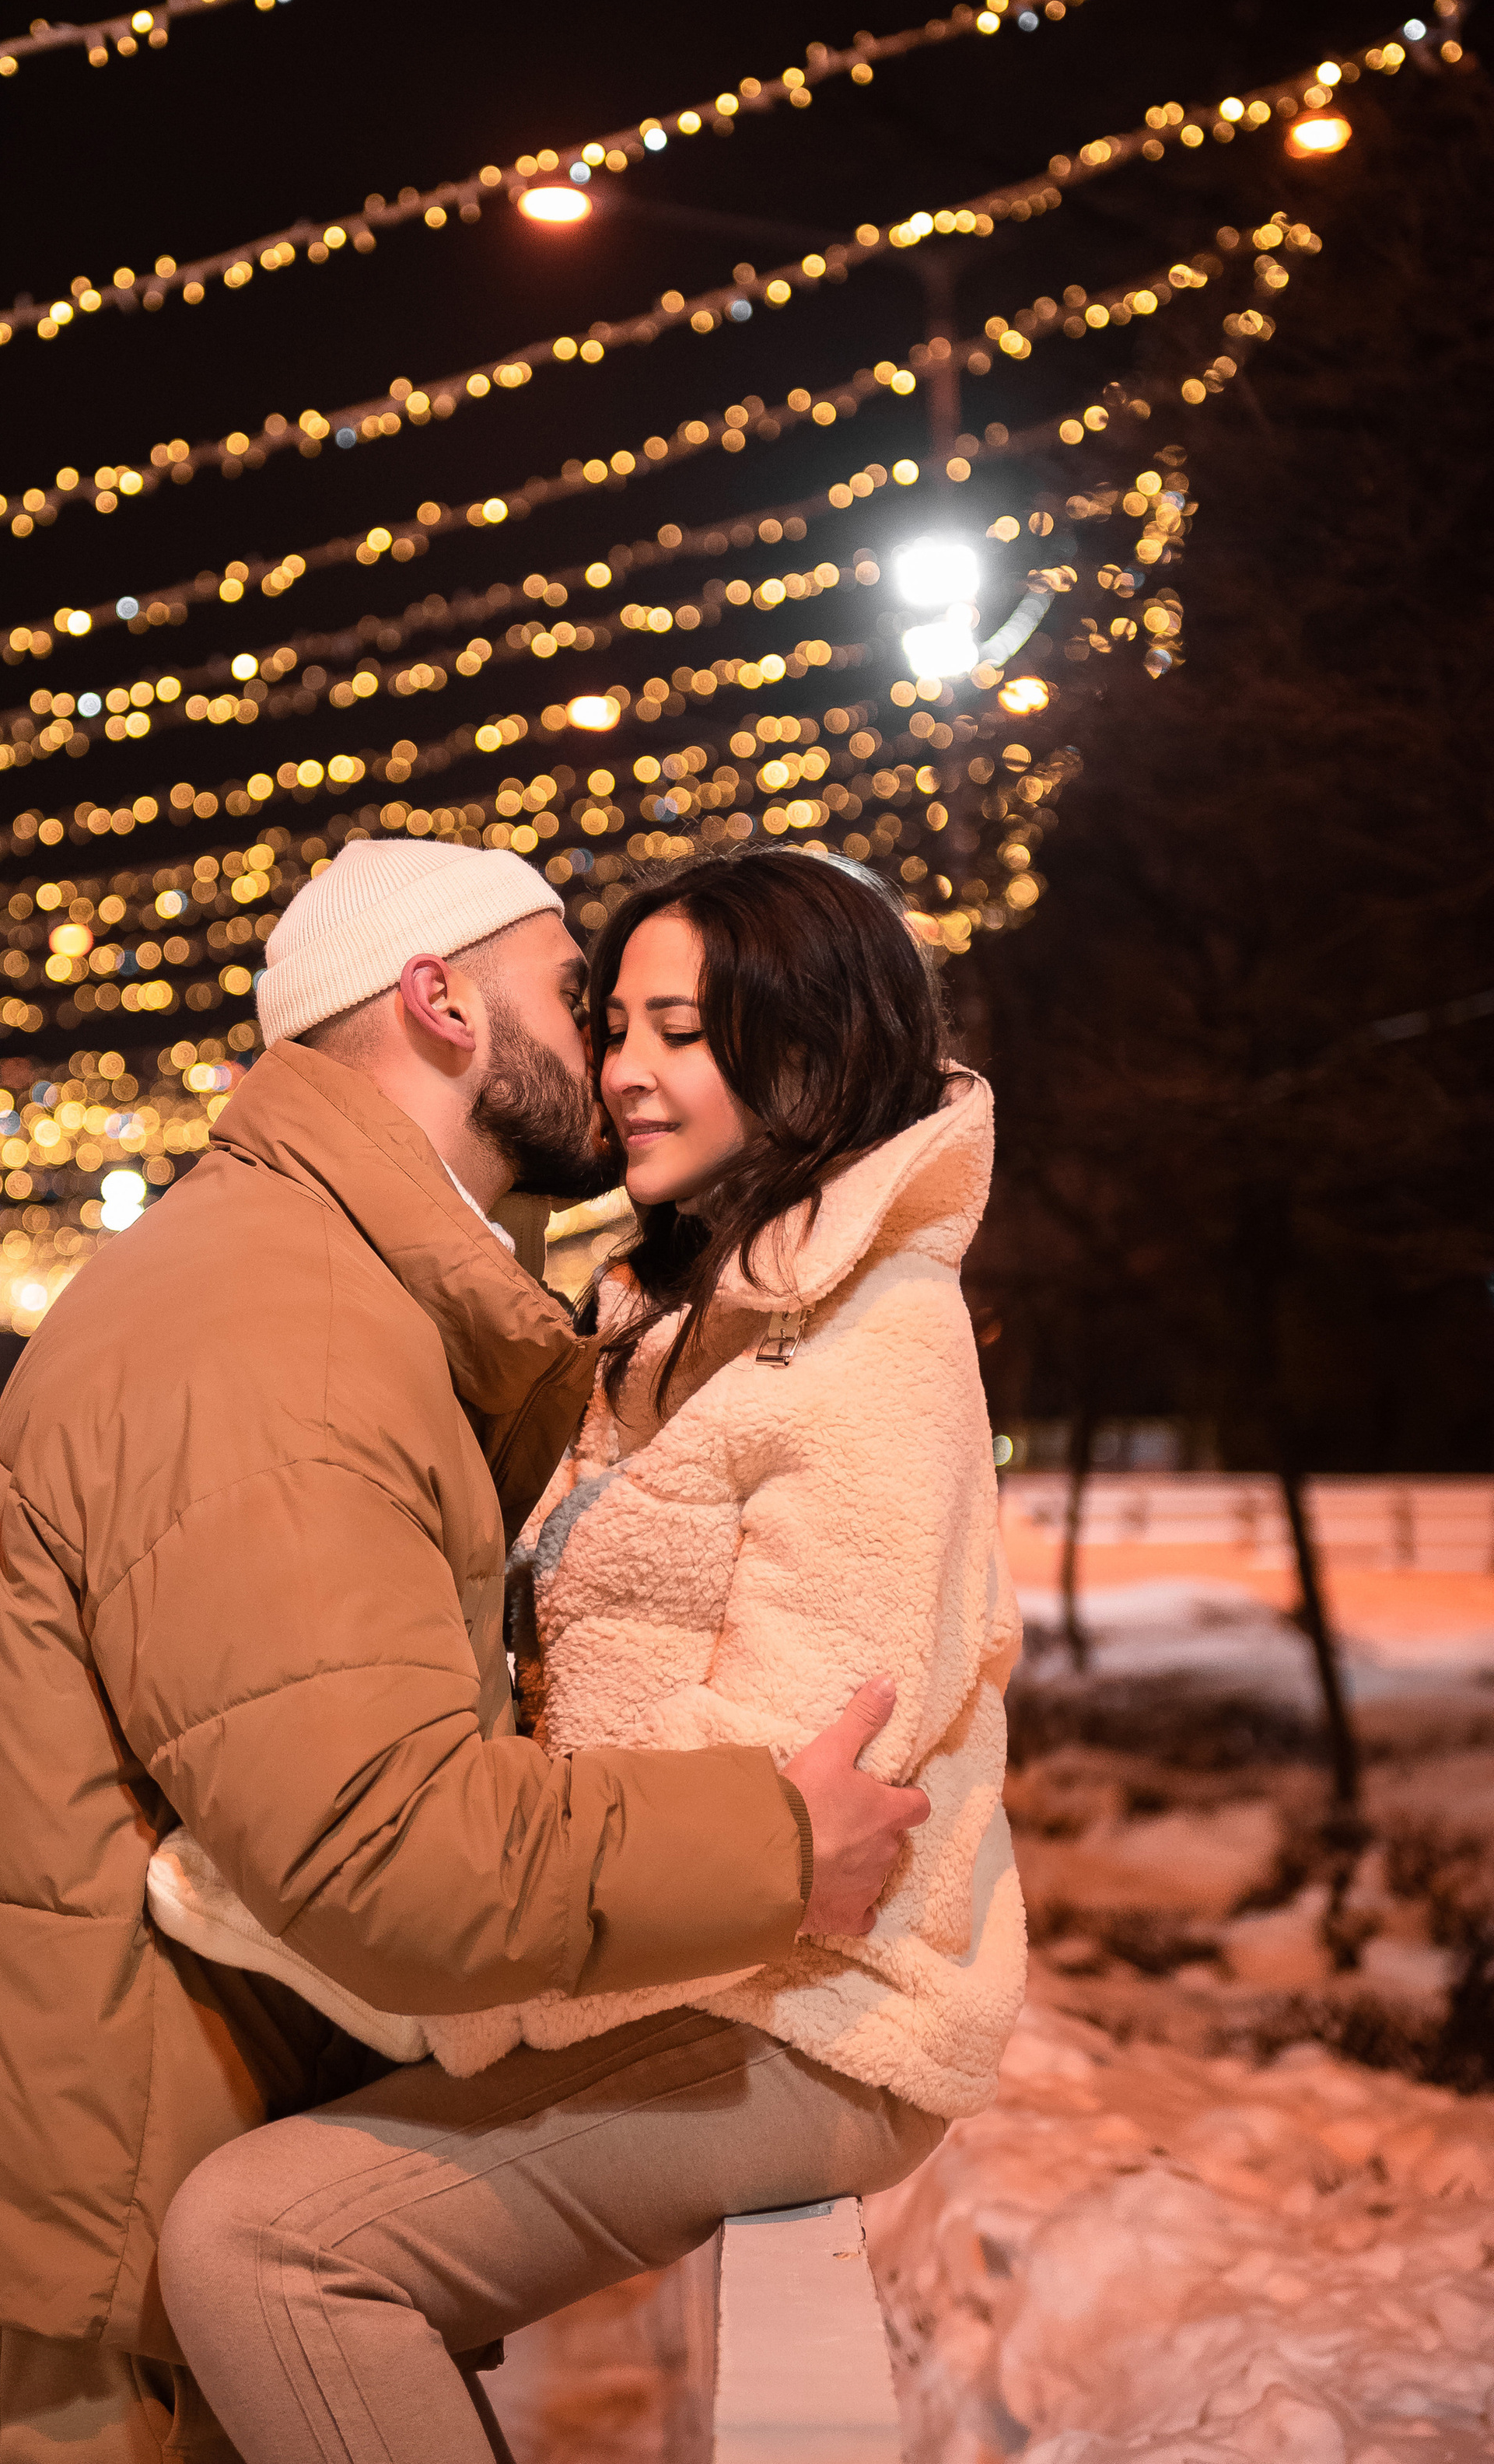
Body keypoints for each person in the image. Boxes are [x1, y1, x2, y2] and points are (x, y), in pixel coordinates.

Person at [0, 836, 928, 2464]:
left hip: (145, 2150)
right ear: (439, 1003)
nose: (614, 1061)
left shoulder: (323, 1285)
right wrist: (770, 1843)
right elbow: (383, 1849)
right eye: (577, 999)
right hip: (121, 2226)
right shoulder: (279, 1330)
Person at [150, 846, 1023, 2462]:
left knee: (264, 2240)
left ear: (808, 1044)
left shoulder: (869, 1352)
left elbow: (806, 1786)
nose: (622, 1071)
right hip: (706, 1962)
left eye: (677, 1029)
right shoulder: (672, 1319)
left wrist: (385, 1947)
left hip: (815, 2015)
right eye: (611, 1021)